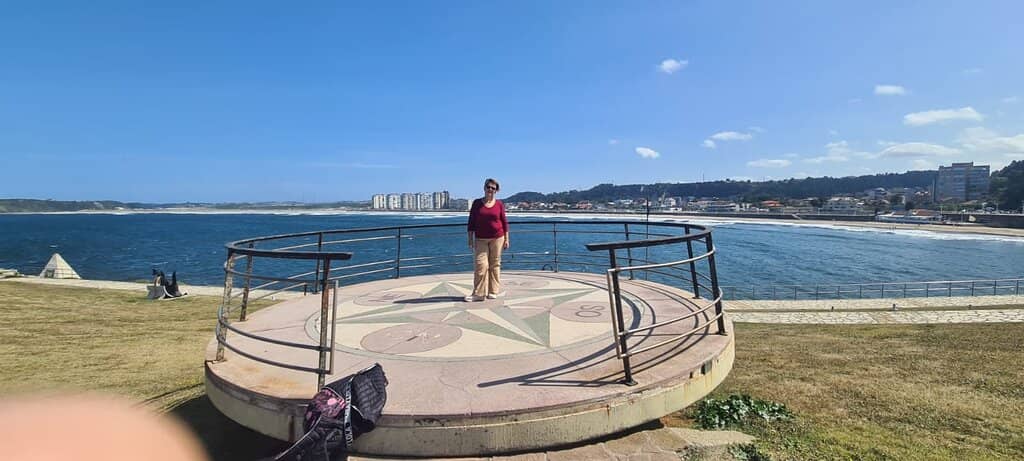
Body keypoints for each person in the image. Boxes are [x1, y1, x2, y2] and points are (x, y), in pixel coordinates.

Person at [465, 178, 510, 302]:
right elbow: (471, 222)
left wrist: (507, 239)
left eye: (493, 188)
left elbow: (504, 222)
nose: (490, 190)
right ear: (484, 188)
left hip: (498, 238)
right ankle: (479, 294)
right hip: (480, 239)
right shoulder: (477, 203)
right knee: (481, 265)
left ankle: (493, 291)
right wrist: (470, 238)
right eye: (488, 187)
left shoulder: (499, 204)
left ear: (496, 191)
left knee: (495, 264)